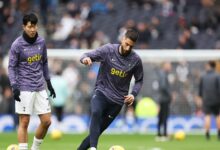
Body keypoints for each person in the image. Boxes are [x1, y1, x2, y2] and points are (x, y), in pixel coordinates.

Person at [77, 28, 143, 150]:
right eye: (127, 44)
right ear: (122, 39)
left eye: (131, 46)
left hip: (117, 102)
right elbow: (86, 55)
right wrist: (85, 59)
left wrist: (133, 94)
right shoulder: (108, 50)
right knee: (95, 112)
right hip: (102, 92)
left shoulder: (136, 60)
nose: (128, 48)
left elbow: (139, 80)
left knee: (96, 132)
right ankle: (93, 148)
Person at [8, 13, 56, 150]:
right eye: (29, 27)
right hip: (24, 88)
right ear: (24, 27)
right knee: (24, 122)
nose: (32, 29)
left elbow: (45, 63)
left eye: (34, 26)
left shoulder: (41, 42)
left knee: (47, 121)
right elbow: (11, 67)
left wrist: (49, 83)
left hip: (40, 86)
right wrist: (14, 86)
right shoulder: (17, 45)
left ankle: (35, 148)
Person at [199, 61, 220, 140]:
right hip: (216, 100)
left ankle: (207, 134)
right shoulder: (217, 76)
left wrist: (200, 97)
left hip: (206, 99)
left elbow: (200, 90)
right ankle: (219, 133)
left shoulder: (203, 76)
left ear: (209, 66)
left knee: (207, 116)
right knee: (217, 115)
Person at [156, 62, 172, 141]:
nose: (170, 67)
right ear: (165, 66)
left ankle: (159, 134)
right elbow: (163, 86)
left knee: (161, 117)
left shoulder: (162, 74)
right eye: (169, 65)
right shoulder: (163, 74)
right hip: (164, 99)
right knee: (164, 116)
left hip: (161, 98)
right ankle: (164, 134)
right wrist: (170, 94)